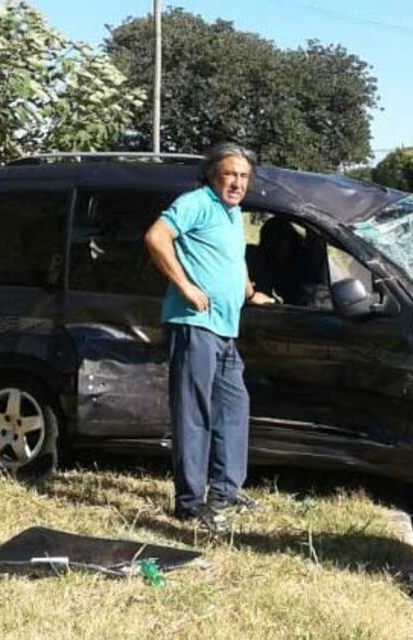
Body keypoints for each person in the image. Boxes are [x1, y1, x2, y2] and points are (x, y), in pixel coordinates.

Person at [145, 142, 273, 526]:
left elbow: (231, 259)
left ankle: (225, 493)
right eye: (230, 174)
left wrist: (250, 293)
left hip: (224, 328)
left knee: (234, 408)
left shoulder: (232, 213)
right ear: (213, 175)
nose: (237, 182)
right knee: (194, 414)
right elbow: (156, 237)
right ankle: (189, 503)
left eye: (243, 176)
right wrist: (185, 286)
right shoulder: (197, 201)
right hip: (193, 324)